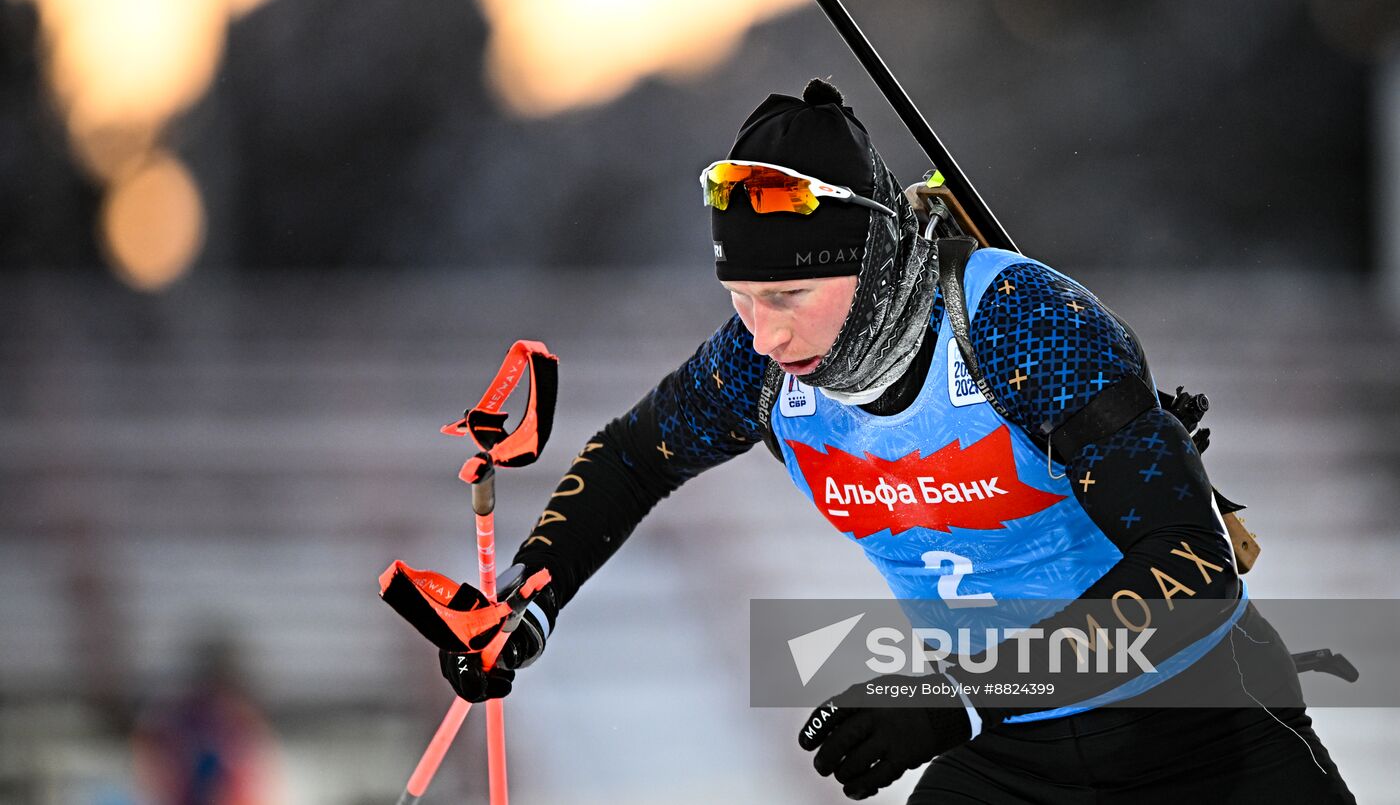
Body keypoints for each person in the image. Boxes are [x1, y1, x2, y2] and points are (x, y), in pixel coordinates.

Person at [432, 79, 1355, 803]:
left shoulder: (1017, 321)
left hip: (1207, 728)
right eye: (740, 301)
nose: (763, 336)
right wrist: (531, 597)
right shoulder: (761, 372)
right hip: (1021, 759)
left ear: (871, 259)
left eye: (788, 297)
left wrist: (955, 695)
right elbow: (636, 456)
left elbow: (1194, 567)